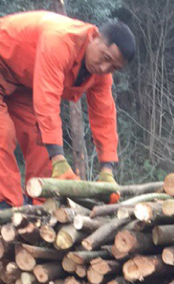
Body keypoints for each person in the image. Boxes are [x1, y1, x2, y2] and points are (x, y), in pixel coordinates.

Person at [0, 11, 136, 208]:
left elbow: (104, 117)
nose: (104, 68)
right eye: (105, 57)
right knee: (3, 134)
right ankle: (4, 206)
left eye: (113, 67)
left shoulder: (102, 74)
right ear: (95, 37)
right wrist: (60, 161)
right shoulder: (60, 40)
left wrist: (107, 170)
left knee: (39, 139)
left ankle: (43, 203)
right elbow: (47, 101)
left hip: (21, 82)